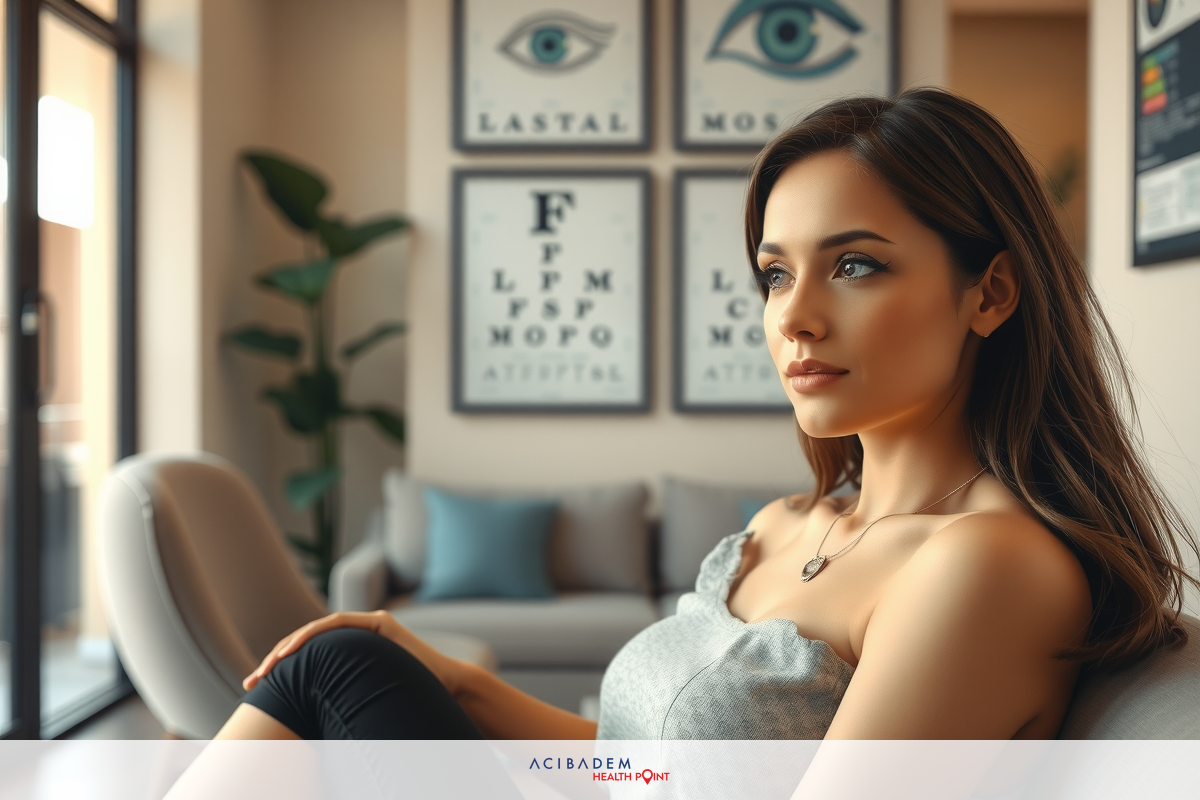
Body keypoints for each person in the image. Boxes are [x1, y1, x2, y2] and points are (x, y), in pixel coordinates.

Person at [214, 88, 1198, 742]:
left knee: (326, 676)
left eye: (856, 264)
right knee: (341, 662)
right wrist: (457, 681)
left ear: (991, 293)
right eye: (776, 273)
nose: (795, 316)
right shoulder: (780, 527)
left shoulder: (986, 562)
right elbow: (642, 762)